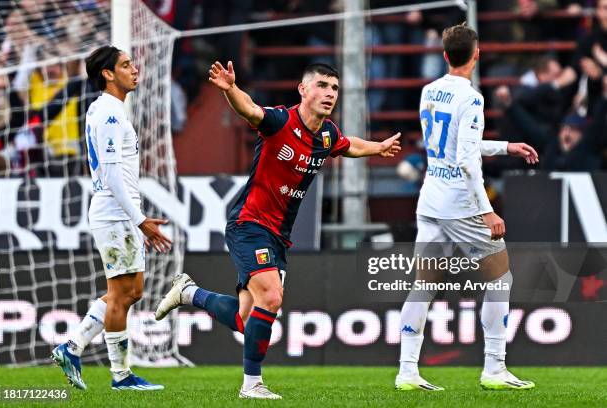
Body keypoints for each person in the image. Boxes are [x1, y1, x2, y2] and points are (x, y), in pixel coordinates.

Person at [155, 61, 402, 399]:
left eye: (334, 88)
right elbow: (250, 110)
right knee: (271, 297)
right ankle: (252, 384)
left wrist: (377, 147)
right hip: (249, 223)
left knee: (246, 319)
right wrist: (229, 89)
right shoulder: (281, 121)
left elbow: (349, 145)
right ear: (303, 90)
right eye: (322, 86)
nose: (329, 93)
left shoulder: (327, 133)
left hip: (279, 236)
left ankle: (189, 293)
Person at [395, 23, 539, 392]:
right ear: (477, 55)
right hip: (460, 203)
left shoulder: (429, 91)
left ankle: (407, 371)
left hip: (430, 199)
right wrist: (486, 210)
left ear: (444, 56)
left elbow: (451, 146)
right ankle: (494, 368)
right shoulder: (472, 98)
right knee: (500, 279)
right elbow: (465, 159)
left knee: (423, 285)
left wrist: (506, 146)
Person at [51, 45, 172, 391]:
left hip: (120, 212)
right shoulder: (108, 113)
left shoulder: (110, 110)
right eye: (125, 64)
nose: (134, 70)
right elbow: (112, 173)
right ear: (107, 74)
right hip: (115, 212)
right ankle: (121, 376)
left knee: (131, 291)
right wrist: (140, 219)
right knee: (120, 295)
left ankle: (71, 347)